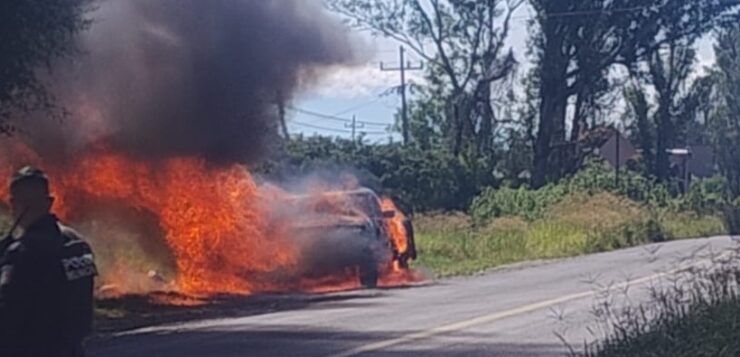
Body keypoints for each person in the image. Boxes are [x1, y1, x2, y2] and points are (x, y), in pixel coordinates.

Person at [0, 166, 97, 357]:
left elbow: (7, 313)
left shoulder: (22, 252)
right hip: (71, 349)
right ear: (50, 202)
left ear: (13, 204)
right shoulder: (77, 243)